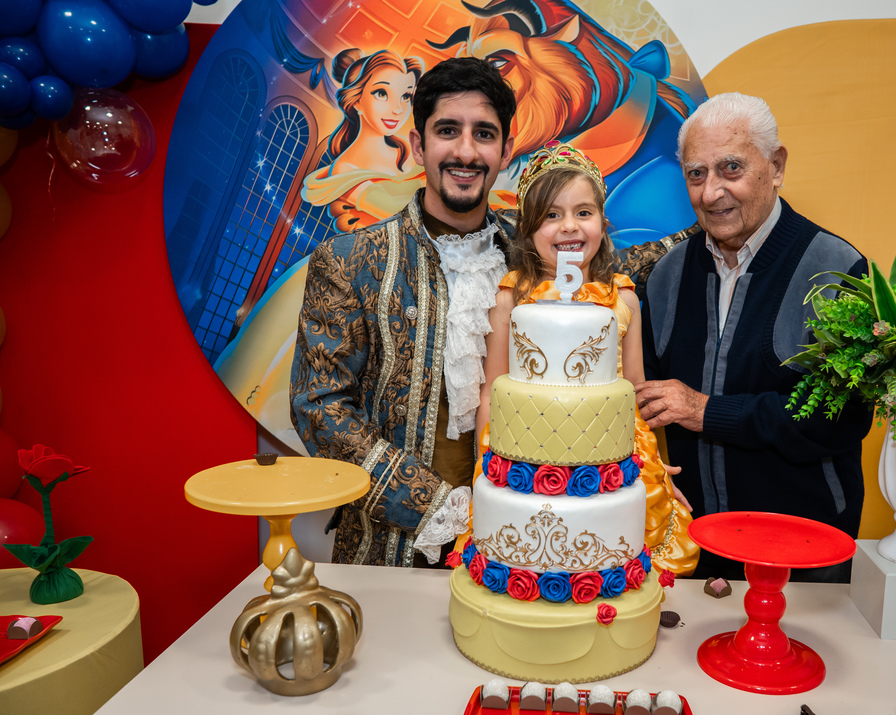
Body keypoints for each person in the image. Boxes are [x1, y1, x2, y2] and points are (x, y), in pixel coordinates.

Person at [290, 58, 686, 568]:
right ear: (418, 146)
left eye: (483, 133)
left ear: (505, 148)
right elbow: (318, 407)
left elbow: (616, 271)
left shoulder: (536, 249)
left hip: (527, 540)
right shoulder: (350, 261)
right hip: (392, 546)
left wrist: (710, 223)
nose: (466, 151)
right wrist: (436, 506)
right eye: (447, 131)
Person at [636, 91, 873, 582]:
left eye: (731, 169)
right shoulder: (665, 276)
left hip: (804, 555)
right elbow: (642, 408)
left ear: (776, 165)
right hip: (691, 553)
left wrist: (706, 411)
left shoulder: (837, 270)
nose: (711, 192)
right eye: (696, 174)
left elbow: (842, 419)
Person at [475, 142, 698, 575]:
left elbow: (634, 393)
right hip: (525, 464)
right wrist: (488, 470)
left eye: (583, 212)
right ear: (528, 229)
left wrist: (653, 468)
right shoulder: (511, 298)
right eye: (551, 215)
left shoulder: (623, 299)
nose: (569, 227)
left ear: (603, 222)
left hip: (612, 464)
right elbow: (491, 394)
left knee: (623, 560)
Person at [299, 48, 426, 231]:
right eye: (382, 94)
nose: (398, 109)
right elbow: (398, 212)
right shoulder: (345, 169)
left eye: (406, 96)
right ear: (356, 100)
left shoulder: (407, 149)